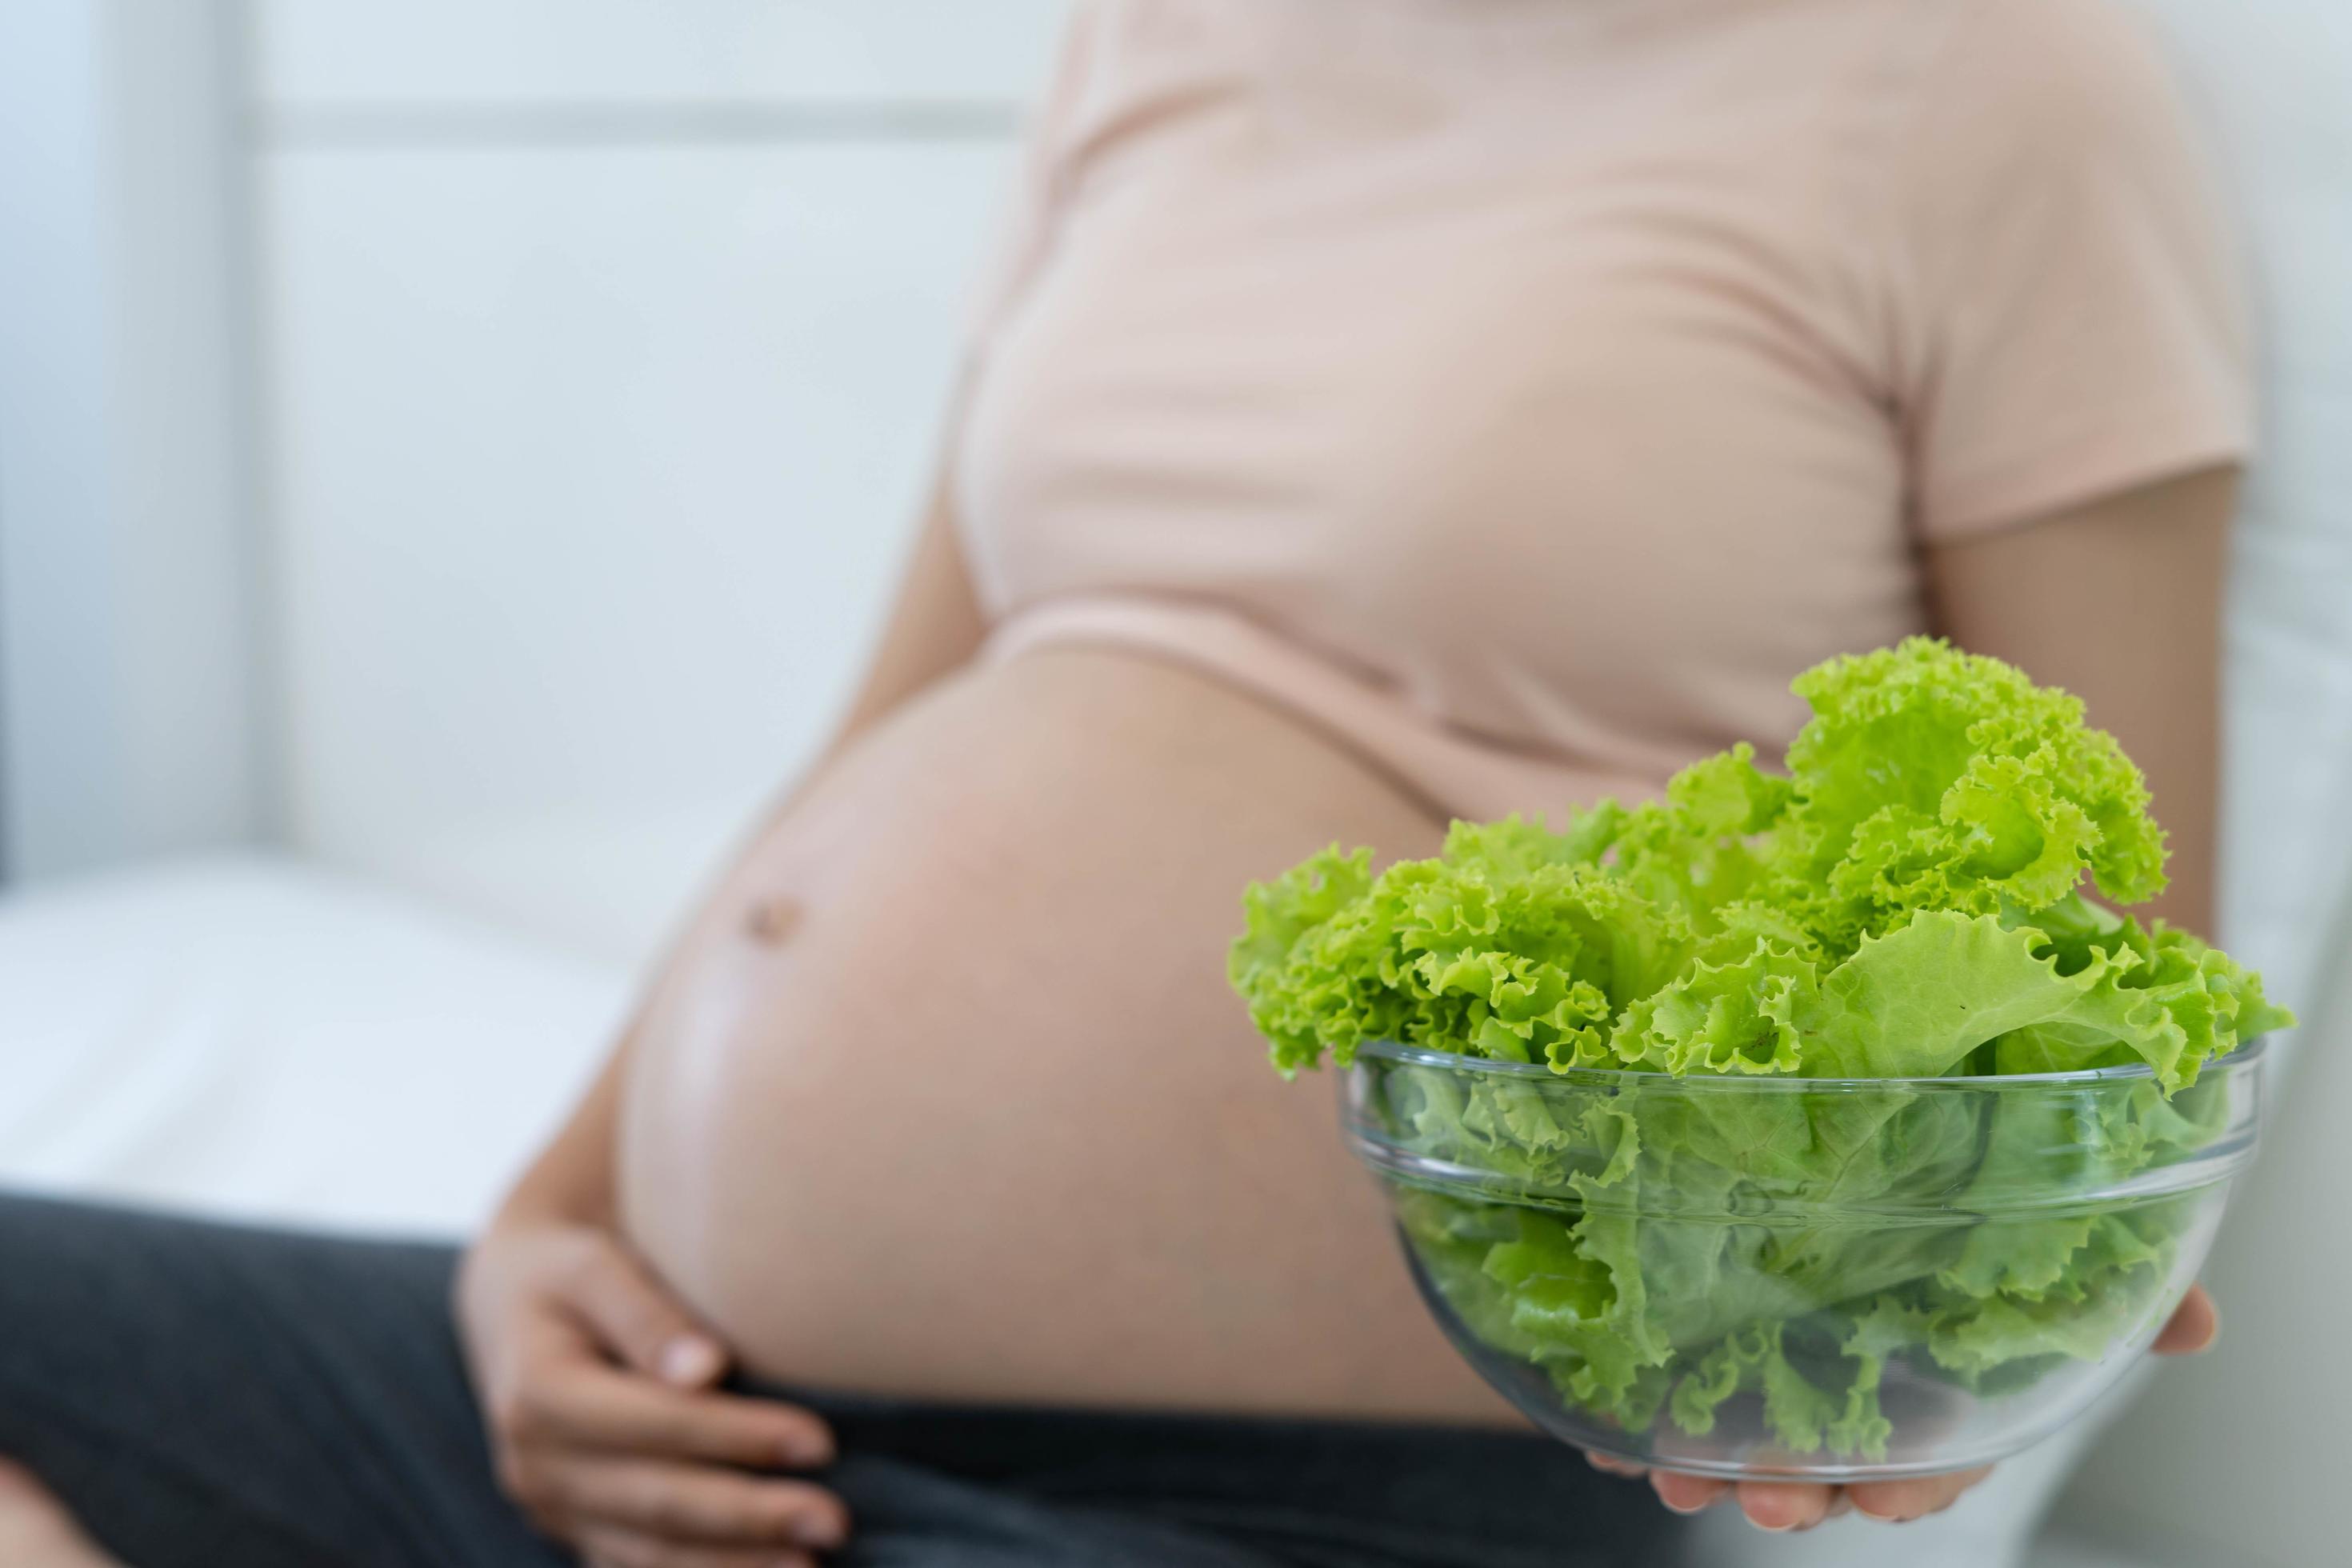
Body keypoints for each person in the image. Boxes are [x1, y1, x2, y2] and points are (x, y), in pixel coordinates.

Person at [0, 0, 2248, 1562]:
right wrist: (541, 1235)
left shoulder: (1980, 81)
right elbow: (874, 742)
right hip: (671, 1420)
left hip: (1239, 1507)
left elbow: (2091, 986)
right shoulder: (1166, 30)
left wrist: (1933, 1320)